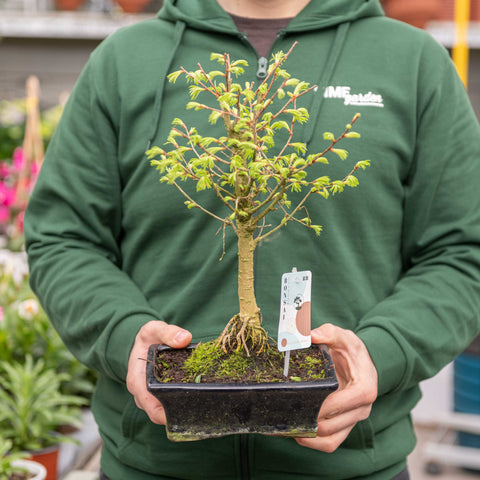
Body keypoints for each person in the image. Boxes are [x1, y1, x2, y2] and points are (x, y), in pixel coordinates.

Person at [24, 0, 480, 479]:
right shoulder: (123, 61)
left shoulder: (412, 62)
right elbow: (63, 238)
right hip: (153, 464)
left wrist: (381, 352)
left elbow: (462, 253)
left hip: (353, 467)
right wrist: (124, 335)